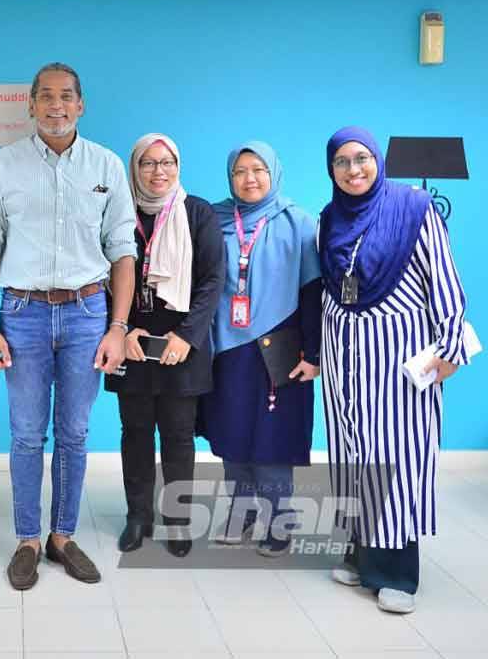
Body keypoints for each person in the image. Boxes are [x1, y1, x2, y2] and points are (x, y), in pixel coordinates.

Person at [0, 62, 135, 590]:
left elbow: (123, 254)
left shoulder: (107, 166)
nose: (56, 105)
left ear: (81, 104)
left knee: (75, 432)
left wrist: (117, 328)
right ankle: (27, 538)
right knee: (25, 434)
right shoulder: (4, 165)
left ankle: (62, 536)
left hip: (89, 315)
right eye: (46, 96)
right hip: (21, 315)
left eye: (67, 96)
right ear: (31, 105)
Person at [320, 127, 469, 614]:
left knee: (397, 458)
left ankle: (397, 574)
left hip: (397, 361)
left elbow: (443, 279)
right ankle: (360, 556)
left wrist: (448, 346)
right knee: (352, 455)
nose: (353, 169)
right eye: (341, 162)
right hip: (345, 359)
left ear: (377, 160)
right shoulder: (329, 219)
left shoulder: (414, 208)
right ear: (331, 169)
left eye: (361, 158)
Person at [199, 141, 322, 557]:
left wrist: (314, 354)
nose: (249, 179)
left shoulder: (298, 223)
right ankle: (241, 513)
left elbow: (312, 292)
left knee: (273, 439)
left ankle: (280, 520)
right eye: (239, 171)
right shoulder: (212, 220)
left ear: (273, 172)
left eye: (258, 170)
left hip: (280, 346)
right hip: (225, 346)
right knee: (231, 434)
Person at [105, 134, 225, 557]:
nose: (159, 171)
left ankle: (177, 521)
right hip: (132, 342)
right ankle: (138, 517)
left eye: (167, 162)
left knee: (177, 436)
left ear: (178, 166)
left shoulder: (198, 213)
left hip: (181, 346)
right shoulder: (118, 214)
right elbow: (101, 275)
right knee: (135, 433)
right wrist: (121, 330)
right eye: (148, 163)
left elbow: (213, 281)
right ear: (134, 168)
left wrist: (187, 336)